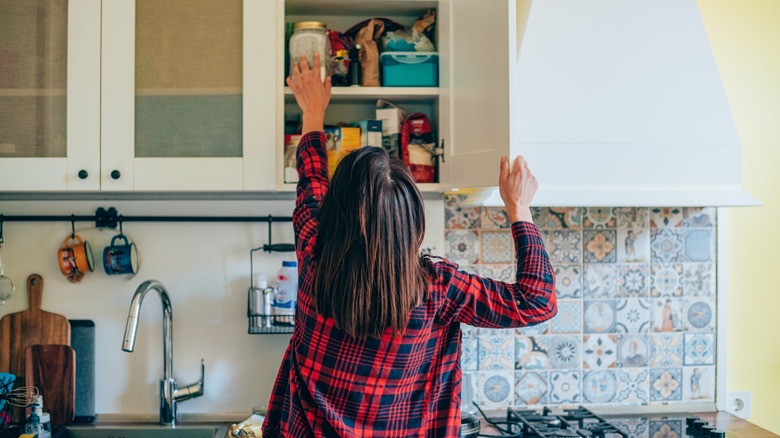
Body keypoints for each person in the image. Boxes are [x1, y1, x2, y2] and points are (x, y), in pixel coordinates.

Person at [262, 54, 558, 438]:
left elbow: (312, 177)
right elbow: (537, 301)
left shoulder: (314, 251)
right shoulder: (439, 288)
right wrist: (519, 209)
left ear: (335, 211)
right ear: (412, 223)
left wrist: (314, 112)